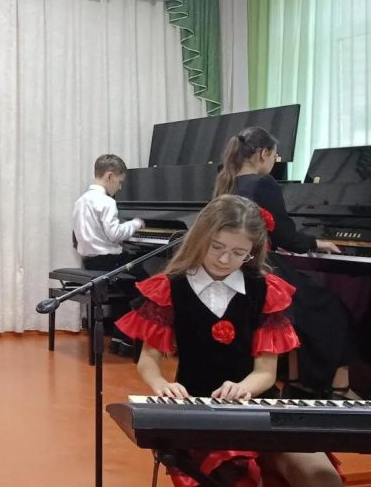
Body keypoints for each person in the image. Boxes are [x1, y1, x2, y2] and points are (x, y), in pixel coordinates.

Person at [116, 195, 341, 486]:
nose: (224, 260)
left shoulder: (264, 289)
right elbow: (148, 360)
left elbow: (265, 373)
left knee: (322, 477)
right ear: (200, 238)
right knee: (235, 475)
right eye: (217, 247)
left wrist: (243, 388)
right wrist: (161, 385)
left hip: (259, 407)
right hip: (200, 412)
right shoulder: (172, 287)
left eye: (238, 252)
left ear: (253, 251)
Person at [213, 126, 354, 399]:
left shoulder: (226, 181)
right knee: (331, 308)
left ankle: (297, 381)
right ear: (262, 153)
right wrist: (316, 242)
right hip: (261, 267)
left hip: (239, 267)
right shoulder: (263, 183)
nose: (274, 163)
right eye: (274, 157)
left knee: (306, 308)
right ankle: (337, 388)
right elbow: (285, 235)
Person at [72, 154, 145, 355]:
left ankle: (119, 336)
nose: (120, 188)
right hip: (109, 262)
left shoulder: (81, 201)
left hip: (90, 262)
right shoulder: (106, 202)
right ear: (110, 176)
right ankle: (126, 339)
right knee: (147, 286)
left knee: (131, 286)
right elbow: (115, 235)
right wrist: (135, 224)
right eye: (120, 182)